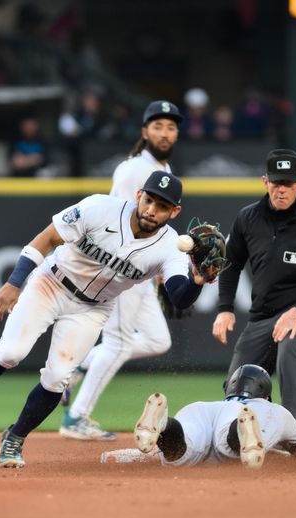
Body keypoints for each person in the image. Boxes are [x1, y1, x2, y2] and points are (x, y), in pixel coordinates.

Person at [0, 171, 208, 468]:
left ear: (175, 211)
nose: (152, 210)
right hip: (51, 283)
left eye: (162, 206)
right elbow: (47, 238)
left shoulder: (171, 245)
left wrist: (198, 281)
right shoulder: (101, 208)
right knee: (10, 352)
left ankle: (16, 436)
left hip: (93, 308)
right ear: (139, 195)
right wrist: (14, 283)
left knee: (58, 377)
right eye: (149, 200)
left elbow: (179, 297)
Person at [59, 100, 184, 441]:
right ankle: (76, 417)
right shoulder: (133, 170)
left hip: (139, 270)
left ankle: (77, 367)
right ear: (145, 132)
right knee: (117, 342)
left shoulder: (162, 168)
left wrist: (159, 269)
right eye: (157, 126)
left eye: (171, 127)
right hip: (118, 269)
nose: (164, 132)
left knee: (158, 340)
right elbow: (123, 223)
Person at [212, 148, 296, 432]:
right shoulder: (247, 218)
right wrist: (225, 308)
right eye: (277, 183)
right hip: (263, 314)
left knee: (289, 350)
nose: (282, 190)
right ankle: (238, 434)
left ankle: (295, 433)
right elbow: (230, 263)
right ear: (265, 182)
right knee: (239, 380)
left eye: (288, 183)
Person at [104, 364, 296, 468]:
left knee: (180, 452)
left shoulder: (215, 404)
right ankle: (240, 433)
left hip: (200, 412)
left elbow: (150, 456)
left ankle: (165, 424)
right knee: (229, 446)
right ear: (266, 394)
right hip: (242, 417)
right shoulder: (274, 410)